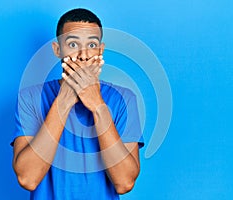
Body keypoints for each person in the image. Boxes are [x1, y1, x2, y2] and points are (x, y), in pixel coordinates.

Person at [11, 8, 144, 200]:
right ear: (58, 50)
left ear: (100, 50)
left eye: (91, 44)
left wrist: (97, 105)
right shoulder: (30, 97)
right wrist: (64, 100)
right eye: (73, 43)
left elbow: (124, 182)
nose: (83, 55)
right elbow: (28, 178)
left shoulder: (123, 99)